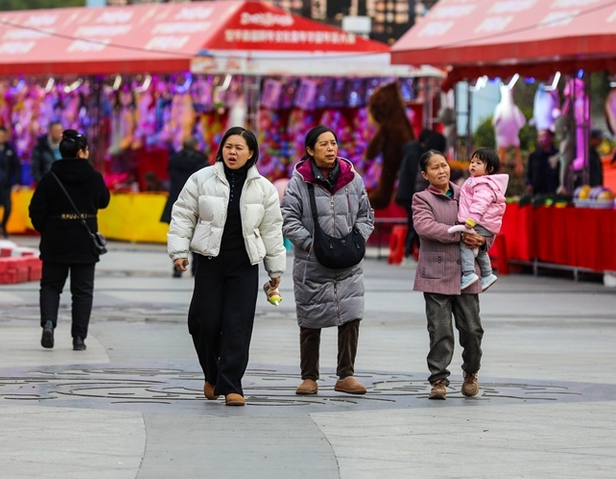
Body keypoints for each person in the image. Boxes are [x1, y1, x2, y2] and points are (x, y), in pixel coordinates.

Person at [167, 127, 285, 407]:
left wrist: (275, 269)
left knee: (237, 326)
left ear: (251, 153)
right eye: (228, 147)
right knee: (204, 322)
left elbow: (272, 230)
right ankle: (212, 374)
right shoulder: (201, 178)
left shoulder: (264, 188)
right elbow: (183, 213)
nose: (232, 152)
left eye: (239, 148)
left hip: (244, 265)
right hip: (209, 261)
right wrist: (179, 251)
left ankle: (232, 384)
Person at [281, 125, 375, 397]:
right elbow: (288, 218)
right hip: (312, 263)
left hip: (349, 261)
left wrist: (357, 239)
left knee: (351, 315)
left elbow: (366, 214)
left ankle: (346, 375)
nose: (330, 148)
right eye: (323, 144)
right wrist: (310, 244)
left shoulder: (352, 178)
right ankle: (309, 377)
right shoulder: (299, 181)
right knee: (310, 318)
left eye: (333, 143)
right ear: (310, 150)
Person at [412, 149, 487, 400]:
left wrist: (483, 240)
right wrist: (459, 233)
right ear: (425, 174)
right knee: (440, 330)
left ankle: (471, 372)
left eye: (443, 165)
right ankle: (439, 380)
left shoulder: (467, 192)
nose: (442, 170)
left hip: (467, 275)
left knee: (473, 330)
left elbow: (486, 221)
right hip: (435, 274)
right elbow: (424, 226)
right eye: (435, 168)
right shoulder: (421, 198)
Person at [28, 130, 111, 351]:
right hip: (85, 242)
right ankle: (79, 338)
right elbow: (104, 201)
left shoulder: (50, 177)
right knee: (82, 291)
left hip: (55, 241)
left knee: (51, 286)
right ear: (82, 152)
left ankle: (48, 324)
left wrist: (46, 229)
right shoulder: (94, 177)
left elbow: (35, 210)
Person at [448, 148, 508, 292]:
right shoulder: (477, 180)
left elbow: (480, 203)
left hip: (479, 221)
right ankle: (487, 274)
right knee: (480, 252)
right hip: (483, 222)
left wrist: (472, 219)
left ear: (490, 169)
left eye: (478, 163)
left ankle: (468, 273)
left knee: (466, 243)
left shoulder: (483, 184)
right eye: (472, 161)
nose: (473, 165)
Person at [395, 130, 446, 267]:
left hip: (409, 193)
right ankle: (409, 254)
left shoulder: (413, 150)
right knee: (416, 224)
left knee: (415, 223)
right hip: (413, 194)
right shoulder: (421, 155)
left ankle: (414, 254)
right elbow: (418, 178)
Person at [160, 137, 210, 277]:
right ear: (195, 146)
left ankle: (177, 266)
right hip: (195, 201)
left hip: (176, 199)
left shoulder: (174, 160)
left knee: (179, 233)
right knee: (197, 235)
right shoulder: (202, 161)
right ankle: (195, 268)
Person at [0, 127, 22, 239]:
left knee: (7, 207)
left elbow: (16, 166)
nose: (2, 138)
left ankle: (3, 225)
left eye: (3, 136)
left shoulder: (10, 150)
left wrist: (18, 182)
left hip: (6, 184)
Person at [526, 129, 560, 195]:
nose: (540, 139)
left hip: (554, 193)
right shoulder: (533, 156)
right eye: (539, 137)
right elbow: (528, 174)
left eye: (543, 136)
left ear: (551, 138)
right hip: (537, 194)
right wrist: (529, 184)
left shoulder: (557, 155)